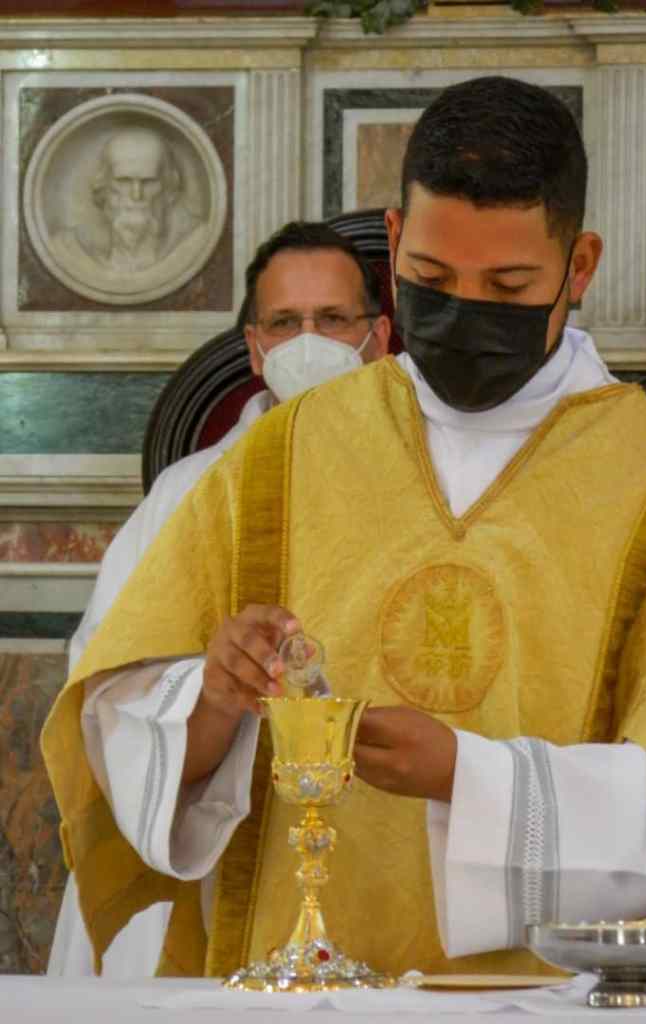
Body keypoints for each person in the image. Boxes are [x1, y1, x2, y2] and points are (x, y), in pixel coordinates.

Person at [43, 77, 646, 986]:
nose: (465, 310)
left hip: (560, 999)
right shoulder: (279, 454)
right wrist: (215, 698)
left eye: (508, 285)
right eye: (431, 277)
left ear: (578, 266)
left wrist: (470, 777)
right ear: (393, 242)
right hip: (298, 989)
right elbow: (122, 731)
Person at [47, 220, 390, 975]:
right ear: (255, 347)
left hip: (387, 840)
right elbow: (116, 705)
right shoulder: (187, 495)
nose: (309, 341)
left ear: (380, 337)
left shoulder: (431, 492)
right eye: (285, 323)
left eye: (334, 319)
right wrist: (212, 694)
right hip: (221, 859)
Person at [51, 127, 207, 281]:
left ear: (169, 188)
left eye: (148, 181)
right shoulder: (70, 249)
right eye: (123, 181)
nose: (136, 195)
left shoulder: (195, 243)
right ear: (103, 185)